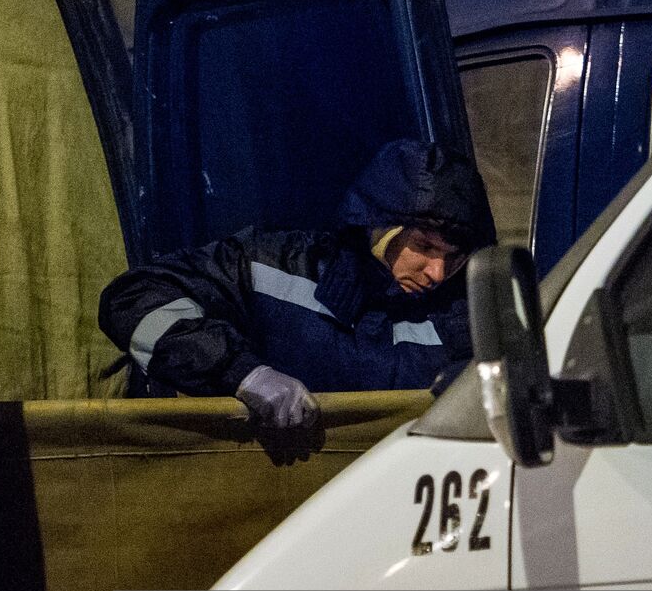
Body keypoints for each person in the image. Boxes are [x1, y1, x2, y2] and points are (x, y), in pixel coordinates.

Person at [98, 139, 495, 428]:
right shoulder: (272, 268)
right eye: (423, 246)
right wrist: (244, 374)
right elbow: (132, 298)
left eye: (453, 257)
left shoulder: (466, 313)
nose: (437, 272)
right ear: (378, 228)